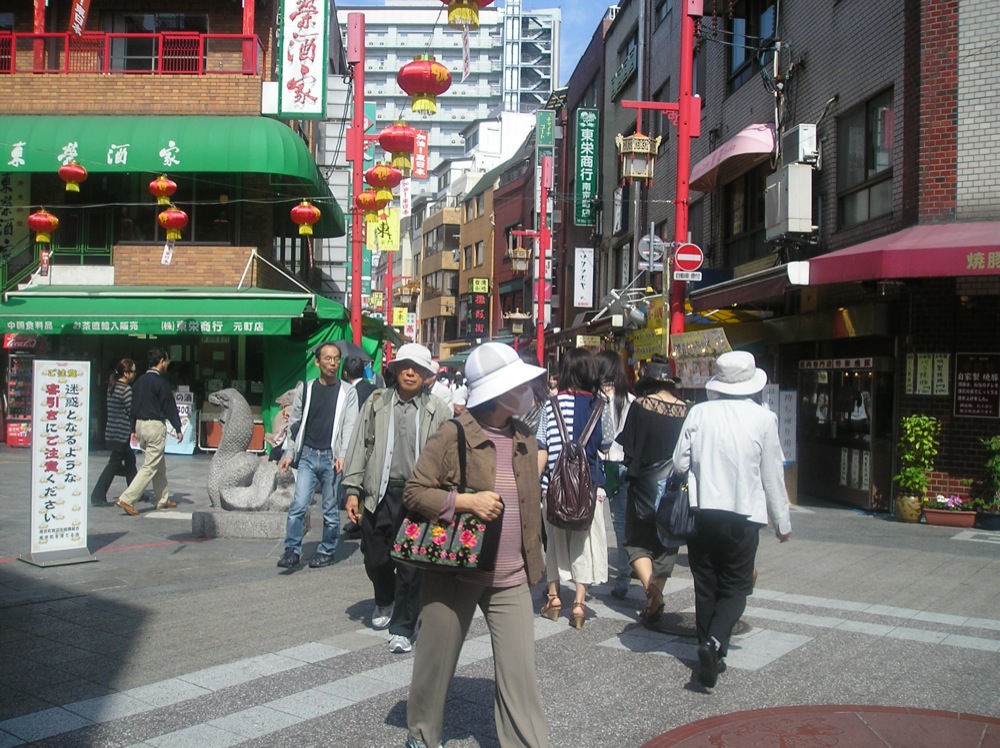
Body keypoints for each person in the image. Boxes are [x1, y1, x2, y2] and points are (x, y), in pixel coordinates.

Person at [402, 342, 549, 748]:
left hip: (512, 575)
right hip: (457, 570)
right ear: (500, 393)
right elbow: (414, 493)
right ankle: (422, 736)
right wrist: (464, 502)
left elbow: (527, 505)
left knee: (520, 676)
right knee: (435, 666)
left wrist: (536, 564)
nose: (527, 391)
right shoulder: (453, 433)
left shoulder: (525, 436)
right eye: (519, 385)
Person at [672, 351, 792, 688]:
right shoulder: (763, 419)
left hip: (701, 510)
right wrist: (782, 522)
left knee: (705, 583)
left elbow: (679, 464)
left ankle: (708, 652)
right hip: (744, 515)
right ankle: (714, 644)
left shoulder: (699, 413)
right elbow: (772, 474)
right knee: (737, 586)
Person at [343, 343, 450, 654]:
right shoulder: (376, 403)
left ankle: (402, 626)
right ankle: (384, 599)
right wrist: (352, 490)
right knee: (375, 557)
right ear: (394, 369)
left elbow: (447, 458)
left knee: (411, 563)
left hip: (418, 496)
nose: (409, 372)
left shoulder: (438, 410)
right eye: (404, 365)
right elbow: (358, 447)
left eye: (416, 368)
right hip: (379, 491)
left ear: (427, 375)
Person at [536, 347, 609, 629]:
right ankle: (578, 604)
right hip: (588, 490)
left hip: (551, 488)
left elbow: (542, 448)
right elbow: (605, 445)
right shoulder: (599, 406)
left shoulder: (549, 406)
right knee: (584, 546)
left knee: (553, 543)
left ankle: (553, 597)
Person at [276, 342, 359, 570]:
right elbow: (295, 424)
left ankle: (326, 550)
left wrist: (343, 454)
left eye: (336, 359)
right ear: (317, 362)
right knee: (298, 505)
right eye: (328, 359)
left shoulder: (348, 392)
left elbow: (351, 425)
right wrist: (289, 452)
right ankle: (292, 550)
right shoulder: (307, 388)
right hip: (308, 455)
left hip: (332, 458)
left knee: (330, 510)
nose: (333, 363)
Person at [616, 363, 687, 624]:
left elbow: (629, 449)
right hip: (673, 487)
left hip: (643, 484)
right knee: (666, 544)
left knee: (636, 542)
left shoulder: (641, 405)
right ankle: (654, 597)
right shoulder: (685, 408)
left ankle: (653, 594)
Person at [115, 348, 183, 516]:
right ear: (161, 362)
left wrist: (133, 429)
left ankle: (162, 499)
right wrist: (178, 427)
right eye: (166, 361)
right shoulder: (161, 383)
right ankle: (127, 499)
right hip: (154, 427)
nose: (167, 364)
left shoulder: (138, 381)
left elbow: (133, 407)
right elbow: (169, 406)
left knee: (158, 465)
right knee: (150, 466)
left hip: (140, 426)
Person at [595, 349, 635, 599]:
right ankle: (624, 576)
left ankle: (595, 572)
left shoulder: (593, 399)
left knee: (595, 524)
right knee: (621, 525)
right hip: (623, 465)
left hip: (599, 466)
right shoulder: (629, 399)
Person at [91, 359, 137, 507]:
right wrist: (135, 430)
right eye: (133, 371)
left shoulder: (112, 387)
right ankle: (98, 495)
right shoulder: (126, 390)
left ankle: (136, 491)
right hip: (121, 433)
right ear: (126, 373)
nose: (135, 374)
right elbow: (132, 412)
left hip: (111, 431)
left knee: (130, 462)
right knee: (113, 464)